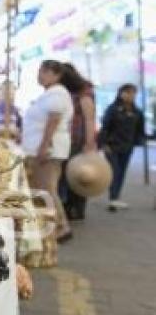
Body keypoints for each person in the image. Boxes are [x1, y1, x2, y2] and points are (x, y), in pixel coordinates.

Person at [22, 60, 74, 242]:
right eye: (40, 71)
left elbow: (53, 121)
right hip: (40, 148)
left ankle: (61, 226)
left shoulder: (58, 94)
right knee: (43, 189)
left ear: (56, 75)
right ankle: (51, 226)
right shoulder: (49, 94)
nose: (40, 75)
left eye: (44, 72)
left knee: (47, 189)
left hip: (48, 150)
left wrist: (44, 147)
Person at [58, 63, 97, 220]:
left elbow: (89, 119)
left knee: (78, 174)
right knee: (70, 174)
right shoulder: (72, 92)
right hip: (70, 138)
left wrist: (89, 143)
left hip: (78, 140)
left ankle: (77, 209)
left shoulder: (83, 92)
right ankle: (70, 206)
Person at [99, 83, 145, 211]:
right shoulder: (112, 109)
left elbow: (139, 130)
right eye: (128, 92)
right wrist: (103, 143)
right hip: (112, 146)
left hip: (127, 146)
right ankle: (113, 198)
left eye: (133, 93)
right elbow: (105, 127)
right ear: (121, 93)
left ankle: (115, 198)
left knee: (122, 172)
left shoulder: (137, 112)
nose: (131, 95)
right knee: (115, 171)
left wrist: (138, 142)